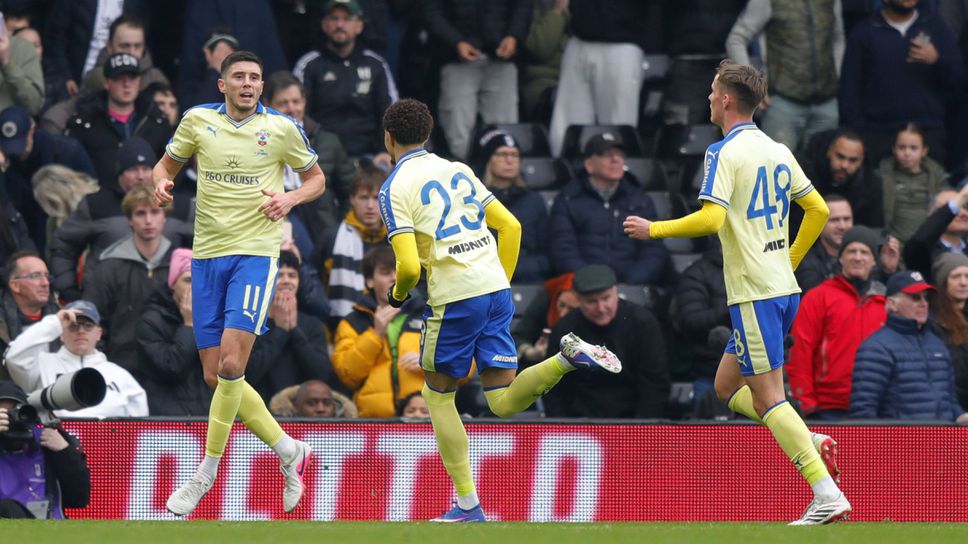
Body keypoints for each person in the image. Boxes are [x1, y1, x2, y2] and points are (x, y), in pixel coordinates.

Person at [623, 60, 849, 524]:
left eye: (712, 91)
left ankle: (826, 494)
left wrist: (654, 229)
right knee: (727, 387)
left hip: (754, 293)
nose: (708, 97)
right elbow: (819, 211)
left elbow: (712, 218)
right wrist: (789, 259)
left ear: (727, 99)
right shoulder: (777, 149)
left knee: (769, 398)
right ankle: (807, 438)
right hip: (781, 288)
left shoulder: (722, 152)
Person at [379, 98, 621, 522]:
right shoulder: (458, 169)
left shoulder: (394, 187)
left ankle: (467, 505)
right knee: (503, 401)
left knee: (437, 396)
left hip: (455, 296)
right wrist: (499, 283)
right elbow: (511, 226)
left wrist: (398, 296)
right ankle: (565, 359)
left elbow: (409, 268)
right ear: (428, 133)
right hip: (494, 289)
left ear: (388, 139)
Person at [153, 50, 326, 517]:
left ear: (261, 86)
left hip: (255, 255)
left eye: (255, 77)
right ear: (222, 85)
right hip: (207, 257)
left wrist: (290, 198)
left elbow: (316, 180)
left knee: (232, 364)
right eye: (240, 77)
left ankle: (205, 472)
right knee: (215, 374)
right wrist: (160, 183)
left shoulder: (282, 129)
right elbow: (164, 166)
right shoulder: (196, 121)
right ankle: (289, 449)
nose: (248, 83)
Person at [49, 137, 192, 302]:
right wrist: (68, 290)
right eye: (133, 169)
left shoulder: (182, 206)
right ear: (119, 173)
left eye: (146, 169)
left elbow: (203, 250)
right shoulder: (95, 205)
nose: (140, 176)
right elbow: (64, 246)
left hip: (168, 302)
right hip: (106, 300)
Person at [839, 0, 964, 165]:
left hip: (928, 133)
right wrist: (860, 134)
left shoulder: (935, 28)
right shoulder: (864, 32)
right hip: (878, 135)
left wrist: (936, 60)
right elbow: (849, 90)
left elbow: (958, 82)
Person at [543, 264, 670, 418]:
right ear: (578, 299)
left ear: (616, 293)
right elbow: (554, 388)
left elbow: (654, 383)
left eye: (606, 298)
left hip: (633, 420)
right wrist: (562, 427)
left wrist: (642, 427)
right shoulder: (565, 330)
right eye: (591, 302)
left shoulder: (642, 323)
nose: (601, 308)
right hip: (579, 422)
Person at [787, 226, 888, 419]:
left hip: (876, 407)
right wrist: (805, 403)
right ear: (840, 258)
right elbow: (800, 351)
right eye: (851, 251)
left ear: (874, 260)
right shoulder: (818, 297)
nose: (857, 257)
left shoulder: (884, 303)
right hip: (828, 408)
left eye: (864, 252)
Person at [550, 132, 670, 285]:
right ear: (589, 165)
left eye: (619, 154)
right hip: (584, 286)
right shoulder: (568, 200)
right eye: (606, 154)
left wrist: (630, 282)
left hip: (632, 285)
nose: (615, 159)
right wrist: (593, 283)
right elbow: (563, 250)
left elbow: (653, 250)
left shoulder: (641, 200)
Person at [725, 0, 845, 151]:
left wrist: (836, 74)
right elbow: (736, 39)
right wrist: (752, 83)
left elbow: (838, 38)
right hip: (782, 102)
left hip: (826, 103)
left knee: (821, 164)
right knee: (777, 165)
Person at [850, 270, 968, 422]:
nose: (923, 303)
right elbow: (863, 412)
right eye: (915, 297)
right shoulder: (875, 348)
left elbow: (950, 400)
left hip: (940, 436)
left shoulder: (937, 344)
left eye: (925, 297)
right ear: (892, 304)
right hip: (900, 437)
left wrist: (960, 416)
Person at [82, 184, 174, 374]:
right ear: (130, 219)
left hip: (171, 369)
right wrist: (103, 368)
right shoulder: (108, 269)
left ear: (165, 216)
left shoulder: (180, 267)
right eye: (140, 213)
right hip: (120, 369)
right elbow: (92, 321)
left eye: (155, 212)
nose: (148, 220)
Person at [4, 301, 149, 418]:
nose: (81, 331)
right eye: (73, 325)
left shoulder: (120, 375)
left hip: (107, 444)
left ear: (99, 333)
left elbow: (140, 425)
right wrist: (55, 323)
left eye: (88, 326)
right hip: (54, 442)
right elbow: (14, 358)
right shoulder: (42, 364)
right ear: (61, 333)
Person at [547, 0, 655, 156]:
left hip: (622, 43)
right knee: (567, 127)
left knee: (618, 126)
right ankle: (567, 166)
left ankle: (618, 169)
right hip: (579, 39)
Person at [425, 0, 529, 159]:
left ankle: (495, 175)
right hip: (455, 60)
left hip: (501, 60)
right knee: (457, 134)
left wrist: (513, 36)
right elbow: (431, 12)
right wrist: (456, 42)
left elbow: (523, 6)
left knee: (504, 132)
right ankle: (462, 171)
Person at [301, 0, 396, 167]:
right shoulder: (309, 65)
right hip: (320, 157)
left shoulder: (376, 64)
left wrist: (386, 151)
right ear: (324, 25)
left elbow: (391, 112)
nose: (340, 24)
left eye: (346, 18)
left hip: (371, 156)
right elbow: (296, 115)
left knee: (389, 172)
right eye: (334, 18)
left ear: (359, 25)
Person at [332, 246, 424, 418]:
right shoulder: (352, 322)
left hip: (425, 420)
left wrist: (429, 362)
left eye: (399, 272)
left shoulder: (429, 315)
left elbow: (464, 367)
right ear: (369, 281)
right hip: (374, 423)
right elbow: (347, 375)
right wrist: (375, 335)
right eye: (385, 272)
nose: (394, 278)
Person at [64, 53, 173, 186]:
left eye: (132, 78)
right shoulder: (84, 123)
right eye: (119, 78)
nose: (127, 84)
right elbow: (70, 168)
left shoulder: (157, 120)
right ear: (106, 83)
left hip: (149, 195)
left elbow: (174, 164)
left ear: (139, 82)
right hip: (98, 196)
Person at [0, 105, 96, 250]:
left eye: (20, 143)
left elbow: (92, 193)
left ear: (32, 130)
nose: (15, 153)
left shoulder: (68, 151)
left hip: (69, 233)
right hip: (24, 237)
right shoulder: (4, 162)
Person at [246, 250, 332, 403]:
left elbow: (322, 374)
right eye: (280, 275)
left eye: (292, 275)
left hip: (303, 412)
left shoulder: (313, 325)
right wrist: (280, 331)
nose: (286, 281)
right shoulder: (251, 321)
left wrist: (293, 331)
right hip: (260, 408)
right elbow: (248, 375)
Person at [136, 248, 213, 416]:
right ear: (173, 285)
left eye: (201, 280)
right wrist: (189, 325)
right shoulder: (151, 320)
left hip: (208, 414)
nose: (195, 287)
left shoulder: (214, 318)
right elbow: (170, 368)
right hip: (169, 418)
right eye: (188, 280)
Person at [0, 380, 90, 519]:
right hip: (8, 523)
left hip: (49, 524)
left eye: (16, 413)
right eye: (5, 416)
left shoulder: (45, 440)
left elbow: (79, 499)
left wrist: (65, 452)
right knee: (8, 508)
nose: (12, 420)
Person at [313, 167, 388, 322]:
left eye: (376, 198)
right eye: (364, 197)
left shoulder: (397, 240)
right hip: (339, 327)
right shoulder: (331, 238)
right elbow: (314, 281)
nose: (370, 205)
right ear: (352, 199)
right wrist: (325, 312)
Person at [477, 130, 550, 283]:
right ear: (488, 160)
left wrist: (522, 268)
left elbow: (546, 251)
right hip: (485, 279)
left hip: (529, 278)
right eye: (502, 154)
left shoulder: (534, 200)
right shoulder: (475, 200)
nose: (510, 160)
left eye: (515, 155)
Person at [797, 128, 884, 229]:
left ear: (861, 160)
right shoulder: (803, 173)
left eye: (853, 160)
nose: (844, 165)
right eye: (840, 157)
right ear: (829, 151)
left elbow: (873, 228)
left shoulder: (871, 185)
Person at [881, 123, 949, 243]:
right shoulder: (883, 177)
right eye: (902, 147)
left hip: (929, 243)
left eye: (913, 148)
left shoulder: (937, 178)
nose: (907, 153)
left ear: (924, 151)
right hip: (893, 243)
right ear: (894, 149)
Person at [80, 15, 170, 95]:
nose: (131, 53)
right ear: (109, 47)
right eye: (124, 46)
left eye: (137, 46)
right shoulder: (95, 77)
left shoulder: (155, 79)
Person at [0, 251, 58, 361]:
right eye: (35, 276)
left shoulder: (63, 319)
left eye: (47, 276)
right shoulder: (2, 323)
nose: (45, 283)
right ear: (15, 285)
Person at [904, 186, 968, 280]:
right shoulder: (924, 250)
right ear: (934, 215)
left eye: (965, 206)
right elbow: (921, 240)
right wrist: (963, 196)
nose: (963, 213)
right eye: (956, 207)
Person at [930, 252, 968, 410]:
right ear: (943, 282)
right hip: (951, 408)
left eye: (967, 276)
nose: (963, 283)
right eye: (956, 277)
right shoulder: (933, 321)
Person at [795, 195, 853, 293]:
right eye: (834, 220)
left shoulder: (863, 257)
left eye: (846, 219)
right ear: (819, 223)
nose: (842, 226)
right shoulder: (807, 264)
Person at [268, 379, 357, 418]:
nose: (320, 409)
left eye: (327, 403)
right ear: (295, 406)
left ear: (335, 406)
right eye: (311, 403)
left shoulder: (351, 435)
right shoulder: (281, 435)